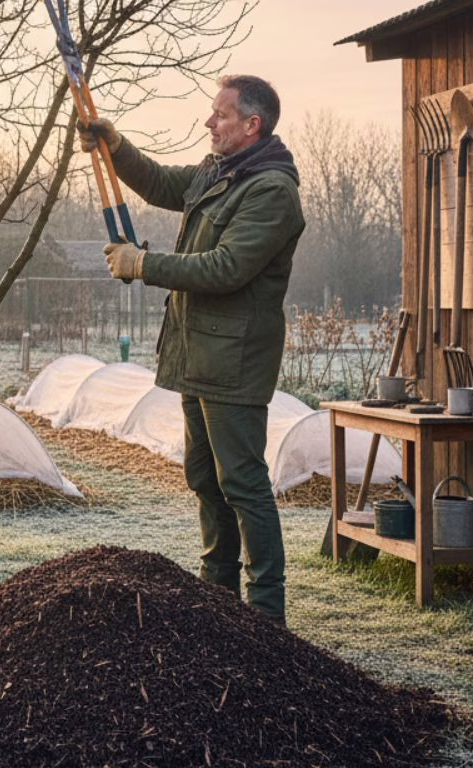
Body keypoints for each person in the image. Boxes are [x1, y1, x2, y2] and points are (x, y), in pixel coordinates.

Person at [78, 75, 304, 625]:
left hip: (234, 362)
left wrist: (144, 264)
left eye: (221, 115)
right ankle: (219, 601)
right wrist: (115, 145)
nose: (209, 123)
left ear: (252, 125)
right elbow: (158, 183)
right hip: (197, 355)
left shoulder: (271, 191)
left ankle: (267, 614)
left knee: (243, 483)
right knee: (204, 477)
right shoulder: (218, 173)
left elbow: (226, 267)